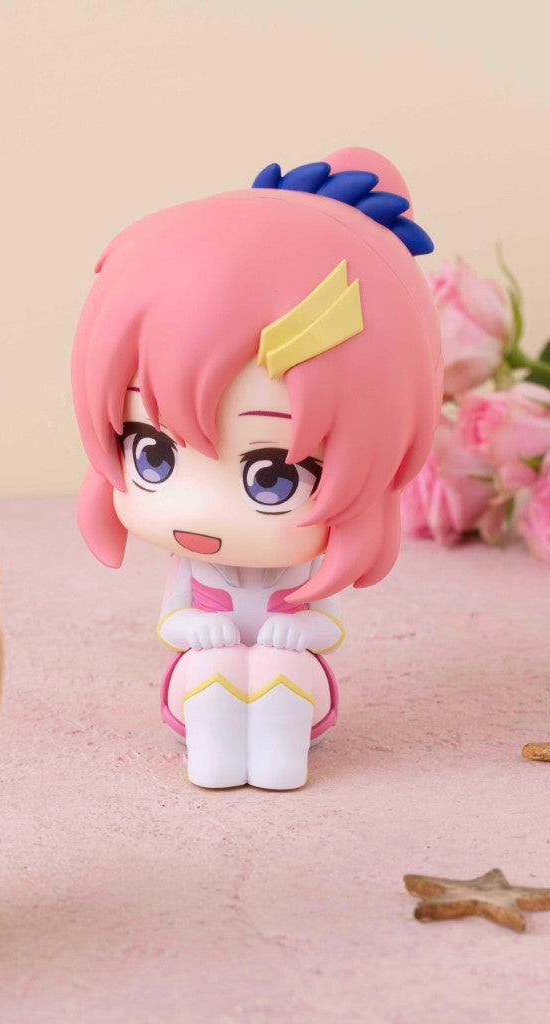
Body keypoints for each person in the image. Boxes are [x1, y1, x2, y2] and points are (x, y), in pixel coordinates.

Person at [71, 148, 442, 790]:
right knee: (211, 670)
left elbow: (325, 624)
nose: (197, 511)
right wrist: (199, 628)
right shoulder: (196, 571)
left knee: (279, 667)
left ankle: (278, 762)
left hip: (296, 690)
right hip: (198, 688)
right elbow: (172, 620)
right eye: (153, 453)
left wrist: (295, 633)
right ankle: (215, 761)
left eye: (272, 475)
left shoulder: (299, 571)